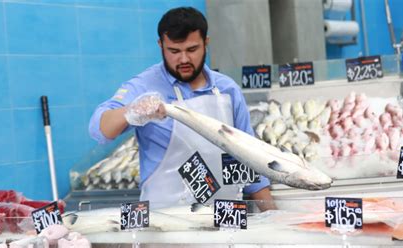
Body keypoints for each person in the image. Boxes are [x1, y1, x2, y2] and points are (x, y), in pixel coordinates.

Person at [89, 7, 275, 210]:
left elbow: (249, 156)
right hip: (167, 222)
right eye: (174, 51)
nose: (184, 59)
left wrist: (274, 222)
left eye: (192, 49)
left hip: (226, 216)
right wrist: (132, 110)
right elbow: (100, 130)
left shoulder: (227, 89)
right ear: (161, 45)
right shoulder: (143, 86)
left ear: (206, 43)